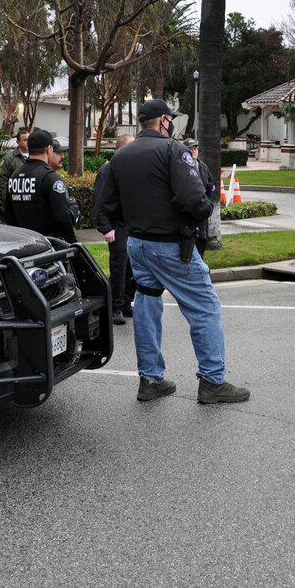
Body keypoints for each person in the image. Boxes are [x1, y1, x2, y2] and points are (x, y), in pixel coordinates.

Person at [96, 98, 249, 404]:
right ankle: (212, 381)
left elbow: (107, 206)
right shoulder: (172, 149)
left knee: (147, 304)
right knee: (205, 306)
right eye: (171, 119)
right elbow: (193, 199)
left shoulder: (121, 156)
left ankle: (150, 380)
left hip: (137, 243)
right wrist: (202, 212)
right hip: (170, 244)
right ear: (164, 120)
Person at [92, 134, 137, 325]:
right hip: (117, 225)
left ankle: (126, 302)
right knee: (119, 268)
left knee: (133, 268)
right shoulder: (108, 169)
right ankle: (115, 307)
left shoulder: (132, 168)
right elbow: (99, 202)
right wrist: (106, 227)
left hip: (132, 224)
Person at [4, 129, 76, 243]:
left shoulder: (14, 177)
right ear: (49, 149)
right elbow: (63, 217)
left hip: (25, 243)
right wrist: (73, 243)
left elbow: (9, 214)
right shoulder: (50, 178)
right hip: (49, 245)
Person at [183, 138, 216, 255]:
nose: (193, 151)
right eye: (190, 149)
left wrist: (207, 204)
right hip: (187, 219)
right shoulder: (181, 167)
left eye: (195, 148)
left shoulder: (203, 167)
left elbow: (210, 185)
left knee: (201, 246)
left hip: (202, 218)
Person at [0, 128, 29, 199]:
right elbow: (3, 179)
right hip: (16, 199)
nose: (28, 142)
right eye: (25, 140)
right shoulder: (9, 158)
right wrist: (7, 199)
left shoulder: (36, 155)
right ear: (18, 142)